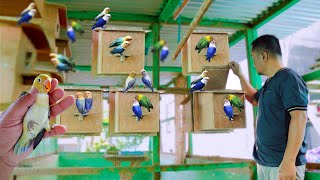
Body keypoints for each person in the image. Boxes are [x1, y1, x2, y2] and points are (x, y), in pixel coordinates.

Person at [229, 35, 308, 180]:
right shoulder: (270, 83)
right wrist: (240, 75)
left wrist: (289, 162)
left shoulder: (289, 78)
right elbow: (253, 98)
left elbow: (300, 118)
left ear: (264, 56)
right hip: (265, 162)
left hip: (282, 164)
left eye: (253, 58)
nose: (253, 64)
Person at [0, 78, 75, 179]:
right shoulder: (32, 98)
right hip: (28, 128)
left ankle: (24, 141)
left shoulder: (46, 101)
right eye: (41, 80)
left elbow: (45, 117)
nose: (46, 83)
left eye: (46, 81)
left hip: (35, 130)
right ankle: (23, 141)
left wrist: (47, 126)